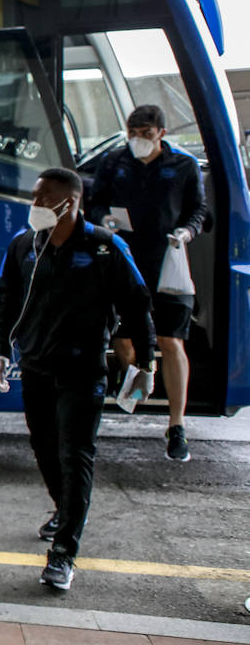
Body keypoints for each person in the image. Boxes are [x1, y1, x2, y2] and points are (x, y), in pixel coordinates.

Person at [0, 167, 155, 591]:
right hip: (37, 367)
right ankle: (65, 510)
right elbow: (6, 300)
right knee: (42, 445)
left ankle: (63, 553)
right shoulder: (24, 246)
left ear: (70, 202)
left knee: (75, 453)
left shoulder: (105, 248)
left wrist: (146, 365)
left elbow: (138, 307)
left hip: (83, 372)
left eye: (43, 198)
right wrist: (1, 352)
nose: (35, 205)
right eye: (35, 196)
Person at [86, 104, 208, 462]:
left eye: (146, 134)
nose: (138, 140)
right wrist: (103, 220)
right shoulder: (114, 162)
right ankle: (138, 380)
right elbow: (93, 204)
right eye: (133, 134)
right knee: (122, 339)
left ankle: (176, 425)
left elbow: (198, 210)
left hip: (167, 262)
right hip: (123, 260)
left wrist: (187, 231)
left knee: (171, 340)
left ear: (161, 134)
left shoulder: (183, 166)